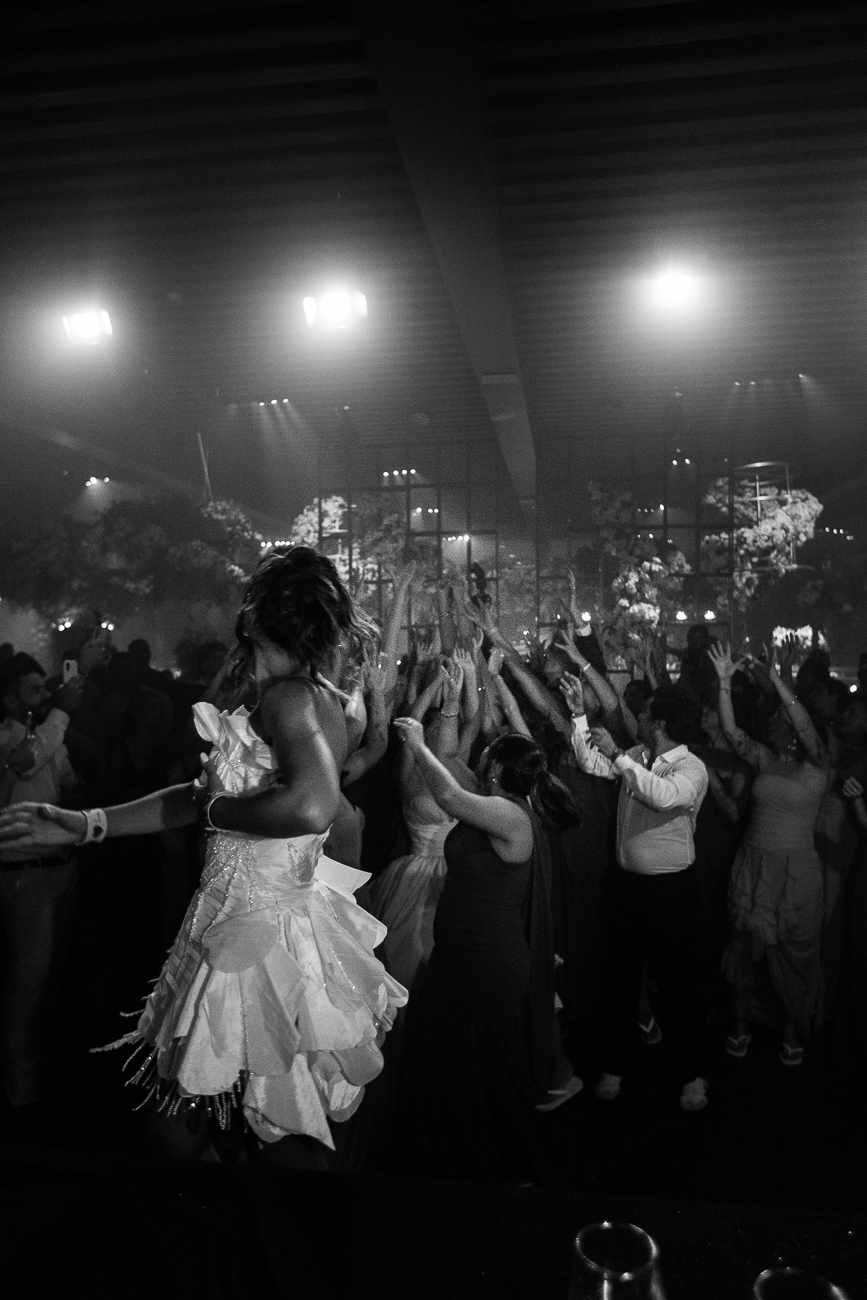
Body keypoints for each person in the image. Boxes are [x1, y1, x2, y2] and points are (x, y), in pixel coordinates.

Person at [0, 548, 407, 1163]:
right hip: (236, 919)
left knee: (235, 1118)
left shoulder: (290, 699)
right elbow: (196, 799)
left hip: (257, 934)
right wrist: (87, 824)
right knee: (235, 1116)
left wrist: (218, 809)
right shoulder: (306, 694)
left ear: (256, 616)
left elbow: (310, 806)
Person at [389, 723, 583, 1185]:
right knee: (461, 1076)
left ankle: (513, 1171)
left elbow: (451, 799)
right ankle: (467, 1164)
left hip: (490, 966)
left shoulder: (513, 814)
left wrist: (417, 743)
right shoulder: (496, 809)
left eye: (487, 756)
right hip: (457, 962)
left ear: (495, 766)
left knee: (493, 1080)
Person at [562, 674, 710, 1112]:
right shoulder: (637, 755)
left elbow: (662, 797)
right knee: (621, 983)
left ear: (660, 721)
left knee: (678, 988)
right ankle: (615, 1065)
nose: (638, 717)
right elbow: (592, 763)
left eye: (645, 713)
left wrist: (622, 760)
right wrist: (577, 716)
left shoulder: (690, 768)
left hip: (672, 894)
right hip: (626, 889)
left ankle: (689, 1074)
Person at [708, 642, 827, 1066]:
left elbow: (806, 723)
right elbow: (732, 734)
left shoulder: (817, 762)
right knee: (741, 947)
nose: (774, 720)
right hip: (754, 861)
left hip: (795, 869)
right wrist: (724, 685)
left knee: (794, 952)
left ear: (794, 733)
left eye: (780, 718)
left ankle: (792, 1028)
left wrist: (778, 681)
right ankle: (741, 1024)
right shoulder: (763, 757)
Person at [0, 653, 82, 1112]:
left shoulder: (45, 734)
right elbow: (29, 764)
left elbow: (60, 775)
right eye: (34, 690)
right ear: (9, 699)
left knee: (52, 977)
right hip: (22, 874)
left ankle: (45, 1074)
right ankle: (20, 1095)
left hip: (61, 867)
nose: (47, 695)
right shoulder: (7, 738)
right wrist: (65, 713)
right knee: (29, 980)